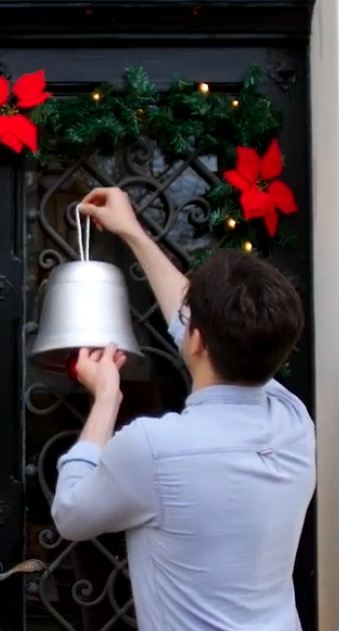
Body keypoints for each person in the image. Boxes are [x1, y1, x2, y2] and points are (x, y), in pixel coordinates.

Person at [50, 187, 315, 631]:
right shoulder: (294, 420)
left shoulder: (154, 447)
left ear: (196, 340)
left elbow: (71, 514)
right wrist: (132, 231)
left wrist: (106, 401)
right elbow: (202, 324)